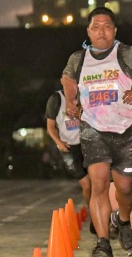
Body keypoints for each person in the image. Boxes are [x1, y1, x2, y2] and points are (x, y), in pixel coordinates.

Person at [61, 6, 132, 257]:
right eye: (96, 27)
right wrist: (71, 100)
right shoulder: (78, 58)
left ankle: (123, 221)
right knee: (98, 184)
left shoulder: (126, 53)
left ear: (115, 30)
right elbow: (67, 78)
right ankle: (103, 243)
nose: (101, 31)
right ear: (88, 31)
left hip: (125, 131)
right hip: (93, 129)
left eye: (107, 26)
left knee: (124, 189)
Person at [45, 89, 92, 223]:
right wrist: (59, 142)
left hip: (87, 144)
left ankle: (98, 213)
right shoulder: (56, 99)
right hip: (69, 147)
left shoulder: (85, 94)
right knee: (87, 185)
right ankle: (92, 211)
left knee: (97, 182)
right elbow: (50, 127)